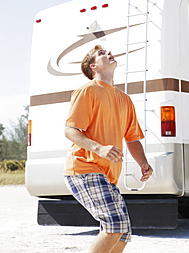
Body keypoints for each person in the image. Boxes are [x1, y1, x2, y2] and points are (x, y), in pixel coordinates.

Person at [64, 45, 153, 253]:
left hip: (107, 175)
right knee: (114, 226)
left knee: (122, 234)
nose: (109, 53)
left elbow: (132, 139)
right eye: (102, 53)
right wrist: (99, 148)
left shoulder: (125, 99)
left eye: (108, 51)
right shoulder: (88, 90)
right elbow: (70, 130)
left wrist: (143, 163)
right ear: (93, 66)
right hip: (84, 169)